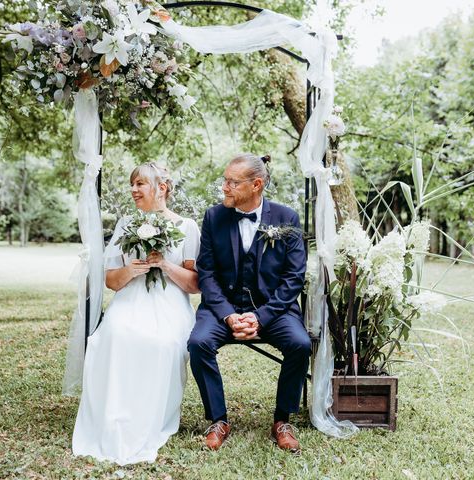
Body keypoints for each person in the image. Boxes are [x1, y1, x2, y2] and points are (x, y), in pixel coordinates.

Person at [72, 163, 200, 465]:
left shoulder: (186, 226)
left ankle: (150, 415)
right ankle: (113, 414)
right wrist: (131, 270)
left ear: (162, 188)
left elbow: (194, 285)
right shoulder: (126, 223)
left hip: (169, 303)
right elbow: (111, 281)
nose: (134, 190)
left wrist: (165, 265)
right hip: (130, 299)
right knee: (114, 334)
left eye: (141, 184)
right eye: (133, 184)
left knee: (161, 343)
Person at [188, 153, 310, 453]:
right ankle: (218, 420)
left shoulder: (286, 218)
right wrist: (229, 316)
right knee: (198, 343)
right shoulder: (214, 217)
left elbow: (294, 277)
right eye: (225, 180)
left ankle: (282, 420)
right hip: (222, 310)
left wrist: (261, 317)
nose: (225, 187)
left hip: (273, 310)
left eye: (232, 182)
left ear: (256, 184)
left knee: (300, 344)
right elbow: (207, 273)